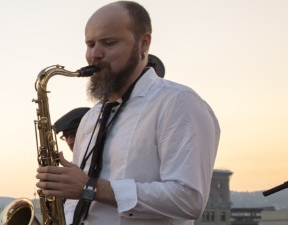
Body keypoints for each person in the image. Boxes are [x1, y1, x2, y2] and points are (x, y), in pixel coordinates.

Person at [35, 1, 220, 225]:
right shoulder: (91, 118)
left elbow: (188, 199)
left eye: (109, 43)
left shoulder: (178, 103)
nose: (95, 54)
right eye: (90, 44)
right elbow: (80, 203)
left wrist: (90, 187)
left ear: (144, 43)